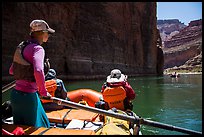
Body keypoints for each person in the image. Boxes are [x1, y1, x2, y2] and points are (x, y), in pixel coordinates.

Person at [9, 19, 55, 128]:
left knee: (20, 129)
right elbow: (38, 71)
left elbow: (11, 70)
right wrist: (43, 93)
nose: (48, 36)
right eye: (47, 33)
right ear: (42, 34)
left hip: (15, 96)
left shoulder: (22, 47)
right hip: (28, 97)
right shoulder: (38, 49)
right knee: (36, 130)